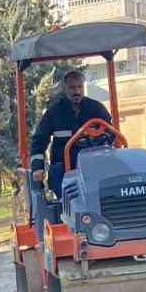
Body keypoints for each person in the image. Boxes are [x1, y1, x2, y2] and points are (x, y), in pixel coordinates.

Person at [28, 68, 114, 207]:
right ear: (65, 88)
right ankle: (68, 210)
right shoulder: (54, 112)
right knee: (57, 177)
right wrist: (37, 167)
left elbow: (111, 134)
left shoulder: (96, 109)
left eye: (79, 87)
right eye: (72, 87)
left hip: (94, 164)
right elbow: (39, 141)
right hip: (65, 168)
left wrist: (95, 140)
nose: (77, 91)